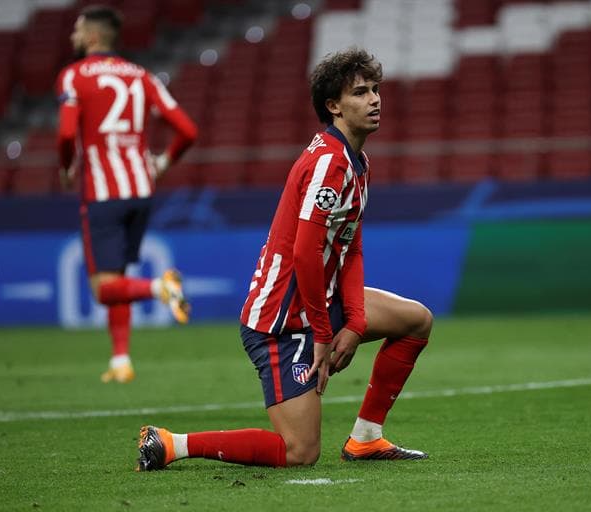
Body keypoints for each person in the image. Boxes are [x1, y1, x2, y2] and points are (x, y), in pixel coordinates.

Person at [136, 47, 433, 470]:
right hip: (279, 320)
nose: (375, 100)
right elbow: (305, 253)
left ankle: (367, 438)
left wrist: (356, 321)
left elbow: (351, 246)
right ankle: (170, 443)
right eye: (361, 92)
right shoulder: (330, 163)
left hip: (316, 305)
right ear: (333, 106)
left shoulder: (357, 161)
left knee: (416, 320)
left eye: (375, 90)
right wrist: (327, 334)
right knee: (300, 452)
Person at [56, 6, 199, 383]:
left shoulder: (73, 75)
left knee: (104, 289)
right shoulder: (143, 76)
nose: (72, 36)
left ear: (91, 37)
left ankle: (160, 287)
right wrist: (163, 163)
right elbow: (187, 129)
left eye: (76, 30)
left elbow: (68, 134)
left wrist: (66, 166)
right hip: (141, 188)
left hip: (102, 191)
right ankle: (121, 361)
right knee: (117, 276)